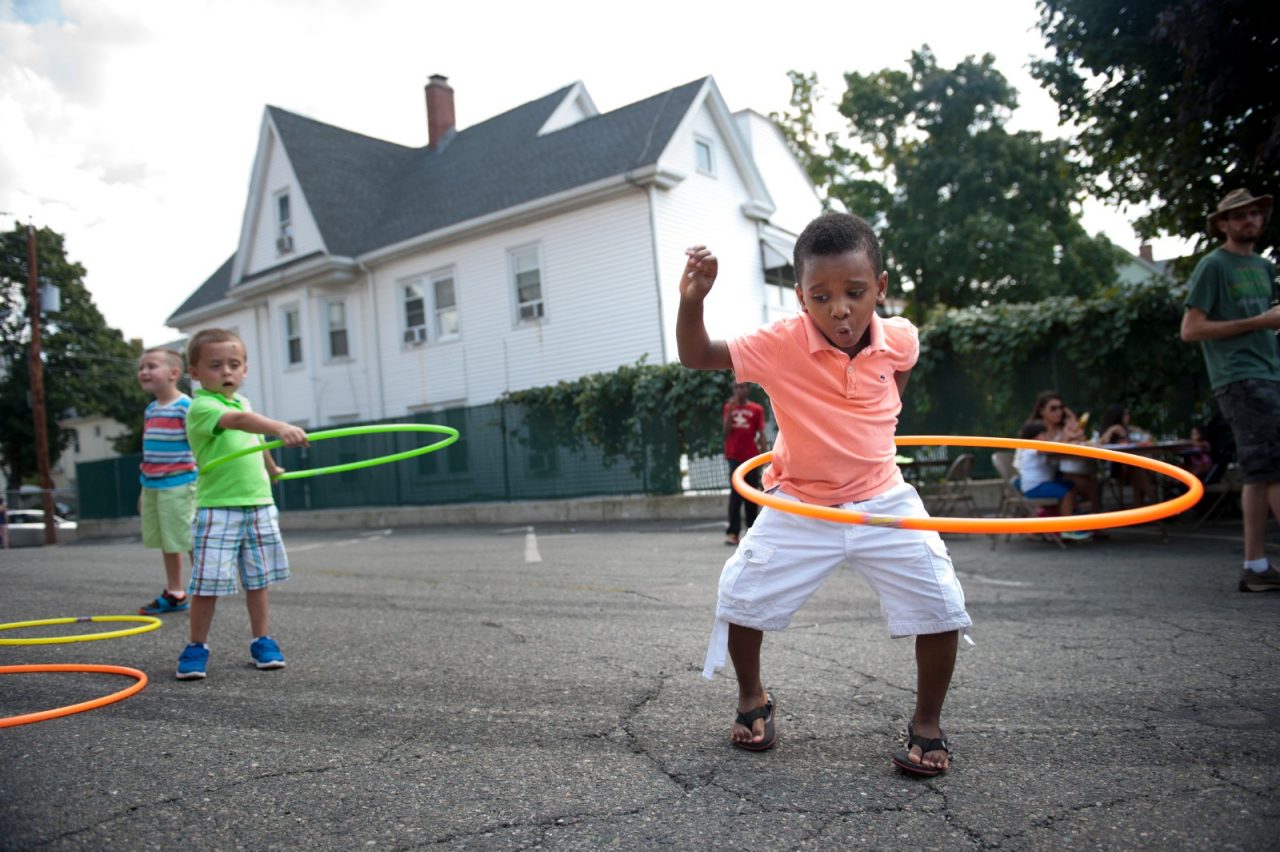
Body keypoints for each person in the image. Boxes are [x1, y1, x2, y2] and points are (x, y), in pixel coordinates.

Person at [677, 212, 971, 776]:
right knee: (739, 597)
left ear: (879, 289)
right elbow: (696, 355)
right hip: (801, 503)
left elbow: (897, 379)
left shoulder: (901, 337)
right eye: (821, 296)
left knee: (941, 603)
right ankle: (751, 698)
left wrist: (874, 415)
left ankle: (927, 724)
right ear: (800, 298)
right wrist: (693, 299)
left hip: (884, 499)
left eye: (855, 293)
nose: (840, 309)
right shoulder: (778, 344)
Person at [176, 328, 308, 679]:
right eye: (215, 365)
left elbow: (254, 438)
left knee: (258, 579)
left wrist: (272, 467)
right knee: (208, 581)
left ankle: (261, 640)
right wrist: (281, 426)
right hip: (219, 506)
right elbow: (238, 423)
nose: (227, 372)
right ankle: (196, 645)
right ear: (195, 372)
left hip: (259, 503)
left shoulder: (243, 403)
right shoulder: (202, 406)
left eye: (234, 365)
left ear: (245, 370)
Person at [1181, 187, 1280, 593]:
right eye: (1239, 215)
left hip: (1269, 372)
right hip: (1239, 376)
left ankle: (1255, 565)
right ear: (1223, 223)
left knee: (1259, 473)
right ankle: (1254, 566)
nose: (1250, 220)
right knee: (1275, 468)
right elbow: (1191, 329)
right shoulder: (1213, 265)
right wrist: (1258, 322)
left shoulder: (1263, 266)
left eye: (1255, 213)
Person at [136, 348, 197, 614]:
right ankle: (175, 592)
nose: (144, 372)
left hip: (179, 483)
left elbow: (199, 447)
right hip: (153, 485)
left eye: (151, 366)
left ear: (174, 373)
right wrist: (143, 488)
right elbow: (150, 452)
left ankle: (205, 587)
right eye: (141, 368)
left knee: (187, 538)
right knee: (167, 541)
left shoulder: (186, 407)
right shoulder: (151, 409)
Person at [1013, 420, 1091, 541]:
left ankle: (1070, 519)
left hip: (1043, 483)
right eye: (1044, 435)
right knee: (1066, 493)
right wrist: (1067, 438)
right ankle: (1066, 529)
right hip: (1034, 487)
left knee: (1071, 485)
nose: (1046, 437)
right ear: (1036, 436)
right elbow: (1049, 449)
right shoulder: (1030, 447)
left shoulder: (1034, 447)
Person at [1026, 391, 1099, 511]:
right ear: (1042, 411)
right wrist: (1068, 437)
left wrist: (1073, 421)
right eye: (1053, 409)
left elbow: (1080, 439)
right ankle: (1070, 526)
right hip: (1035, 476)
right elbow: (1049, 449)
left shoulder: (1060, 428)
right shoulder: (1036, 429)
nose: (1058, 412)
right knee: (1074, 488)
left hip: (1053, 472)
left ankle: (1095, 525)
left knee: (1091, 484)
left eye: (1061, 408)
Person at [723, 382, 767, 546]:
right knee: (735, 495)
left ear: (748, 389)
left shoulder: (756, 409)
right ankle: (733, 533)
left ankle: (751, 531)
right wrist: (731, 412)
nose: (739, 390)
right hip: (734, 456)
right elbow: (725, 432)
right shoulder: (729, 407)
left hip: (751, 457)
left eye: (742, 387)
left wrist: (764, 457)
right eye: (736, 387)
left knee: (751, 494)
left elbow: (761, 433)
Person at [1096, 405, 1155, 506]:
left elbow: (1149, 438)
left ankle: (1142, 510)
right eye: (1126, 414)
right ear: (1118, 416)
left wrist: (1126, 435)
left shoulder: (1131, 429)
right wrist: (1112, 430)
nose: (1128, 416)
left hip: (1133, 466)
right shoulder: (1107, 431)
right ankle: (1155, 502)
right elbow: (1098, 446)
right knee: (1137, 470)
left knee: (1137, 470)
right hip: (1115, 468)